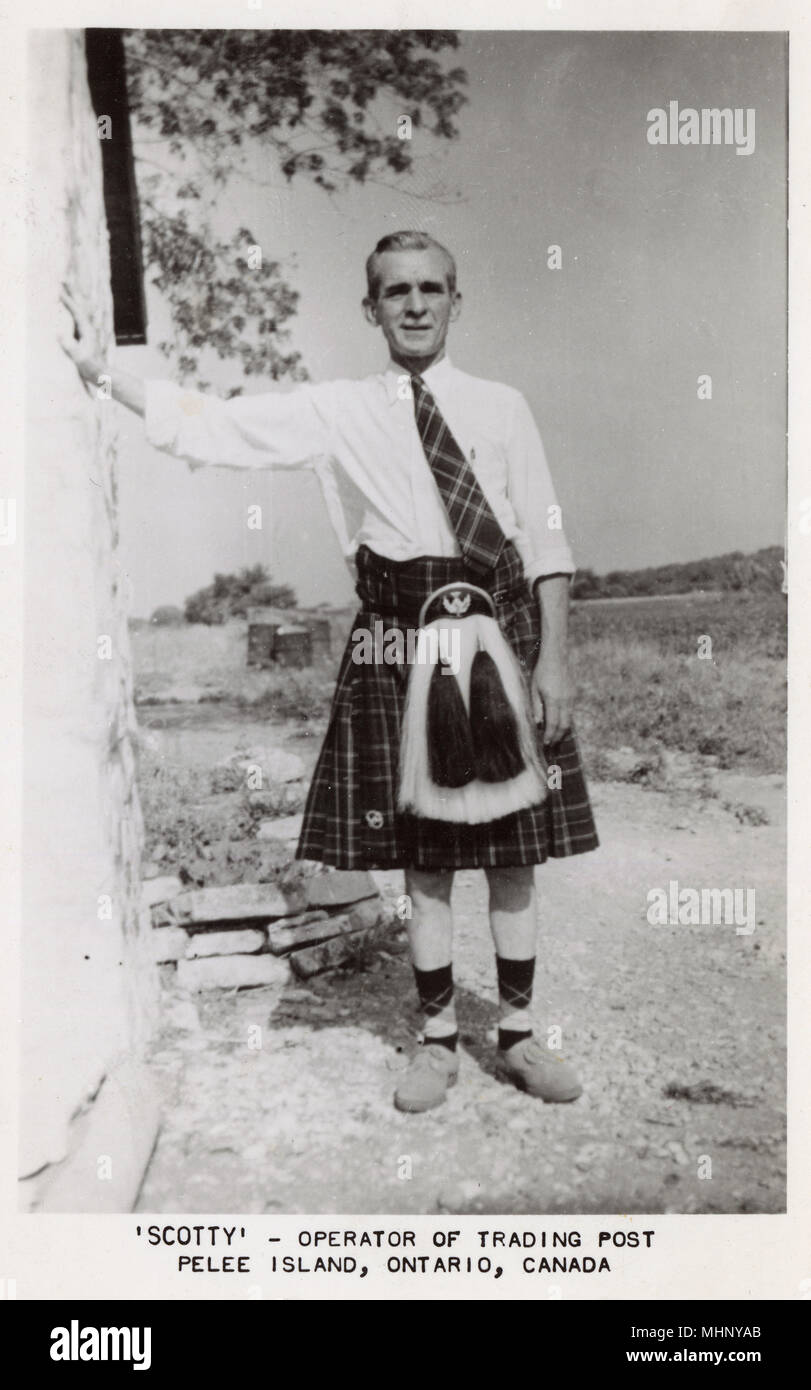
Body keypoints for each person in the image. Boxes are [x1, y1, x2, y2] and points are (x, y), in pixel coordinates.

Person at [62, 230, 599, 1114]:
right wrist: (99, 373)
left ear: (456, 302)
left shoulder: (501, 405)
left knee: (512, 860)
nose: (416, 304)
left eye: (433, 288)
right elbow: (217, 424)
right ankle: (433, 1043)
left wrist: (556, 661)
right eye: (397, 292)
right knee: (424, 862)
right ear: (371, 308)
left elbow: (545, 540)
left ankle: (519, 1036)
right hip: (400, 641)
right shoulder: (340, 407)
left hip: (499, 638)